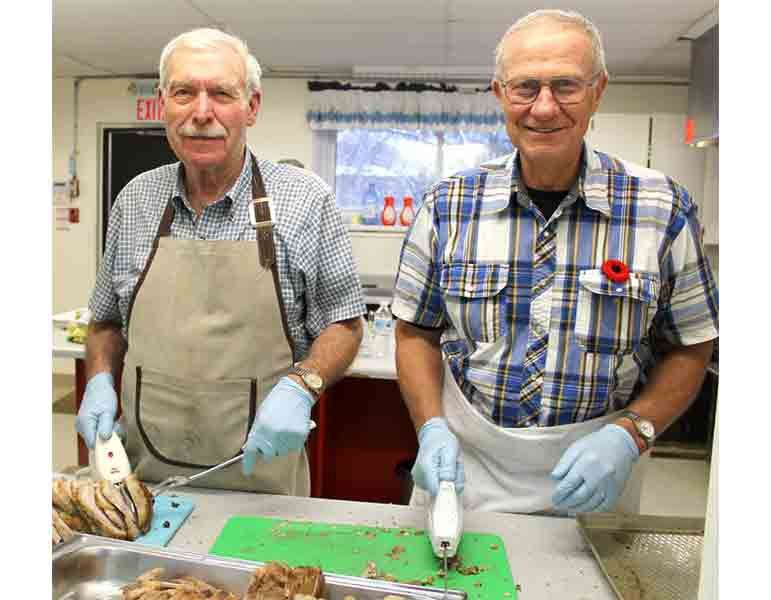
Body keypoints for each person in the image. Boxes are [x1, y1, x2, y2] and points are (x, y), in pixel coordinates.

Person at [391, 9, 718, 514]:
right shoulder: (448, 205)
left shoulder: (662, 209)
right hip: (467, 472)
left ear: (597, 90)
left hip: (599, 477)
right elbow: (415, 333)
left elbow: (690, 347)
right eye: (526, 87)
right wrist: (431, 427)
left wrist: (631, 433)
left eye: (566, 85)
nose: (544, 108)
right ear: (500, 94)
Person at [76, 28, 365, 495]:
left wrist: (302, 386)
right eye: (184, 93)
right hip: (144, 482)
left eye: (222, 94)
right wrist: (99, 380)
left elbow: (344, 325)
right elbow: (106, 321)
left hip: (264, 482)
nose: (201, 113)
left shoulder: (305, 200)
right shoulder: (135, 200)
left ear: (252, 106)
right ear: (163, 103)